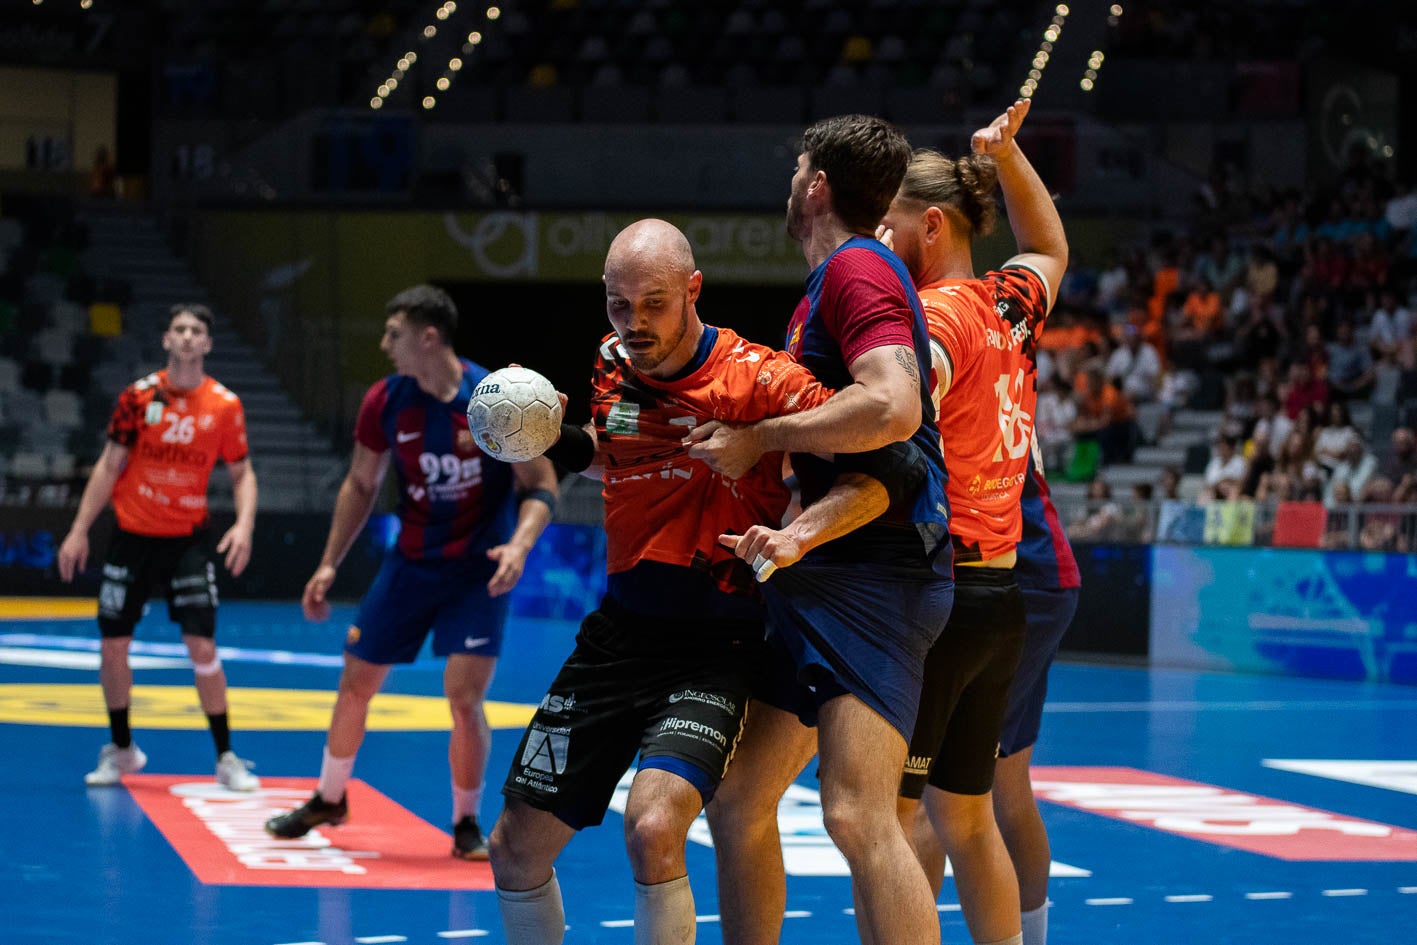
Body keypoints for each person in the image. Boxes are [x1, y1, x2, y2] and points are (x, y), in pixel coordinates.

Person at [487, 219, 920, 944]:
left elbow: (891, 472)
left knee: (654, 826)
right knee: (512, 847)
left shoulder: (761, 378)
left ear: (693, 289)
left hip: (722, 640)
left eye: (653, 302)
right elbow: (614, 454)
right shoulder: (608, 359)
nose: (635, 324)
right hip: (618, 633)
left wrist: (794, 530)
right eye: (618, 305)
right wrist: (545, 439)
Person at [688, 114, 955, 945]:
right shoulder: (831, 283)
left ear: (816, 187)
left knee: (855, 813)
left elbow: (893, 405)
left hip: (876, 579)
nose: (792, 181)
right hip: (822, 573)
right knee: (738, 802)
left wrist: (759, 438)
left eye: (797, 167)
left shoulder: (857, 268)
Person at [264, 285, 558, 860]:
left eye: (393, 333)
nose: (384, 345)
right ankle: (328, 797)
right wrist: (328, 563)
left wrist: (519, 547)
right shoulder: (386, 400)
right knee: (356, 683)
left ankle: (466, 823)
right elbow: (360, 484)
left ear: (429, 337)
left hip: (479, 569)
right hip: (412, 564)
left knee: (463, 698)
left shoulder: (492, 398)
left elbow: (541, 485)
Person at [875, 98, 1066, 945]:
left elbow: (903, 400)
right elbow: (1049, 248)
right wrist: (1007, 156)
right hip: (999, 593)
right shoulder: (1010, 301)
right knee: (969, 814)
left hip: (941, 596)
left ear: (930, 226)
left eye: (886, 228)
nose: (876, 246)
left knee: (894, 815)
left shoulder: (937, 317)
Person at [57, 304, 259, 790]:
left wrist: (245, 525)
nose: (188, 337)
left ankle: (226, 756)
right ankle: (122, 749)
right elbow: (109, 465)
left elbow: (242, 472)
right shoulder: (137, 397)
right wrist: (79, 529)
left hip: (187, 540)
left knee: (202, 645)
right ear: (167, 339)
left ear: (207, 344)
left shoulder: (224, 405)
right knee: (113, 645)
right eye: (180, 329)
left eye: (197, 331)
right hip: (131, 536)